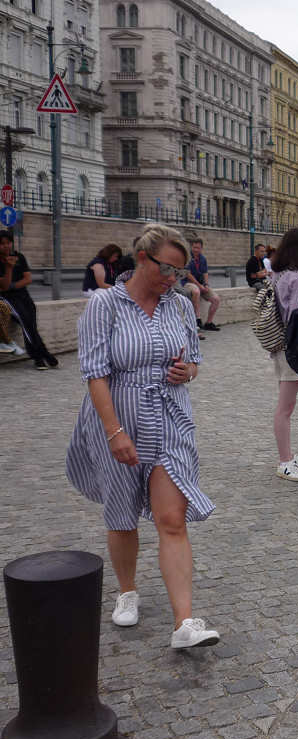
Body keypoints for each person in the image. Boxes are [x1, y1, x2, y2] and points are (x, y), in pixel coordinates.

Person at [65, 222, 220, 649]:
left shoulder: (180, 305)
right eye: (166, 268)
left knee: (172, 518)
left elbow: (195, 359)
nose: (172, 278)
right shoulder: (105, 304)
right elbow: (94, 374)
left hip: (169, 416)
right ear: (141, 258)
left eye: (179, 271)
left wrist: (187, 371)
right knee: (121, 514)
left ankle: (184, 623)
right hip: (118, 415)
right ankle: (127, 590)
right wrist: (114, 432)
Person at [269, 229, 298, 481]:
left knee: (286, 405)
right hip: (292, 346)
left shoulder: (278, 274)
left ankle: (287, 455)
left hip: (279, 345)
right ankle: (285, 461)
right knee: (285, 407)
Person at [0, 230, 58, 369]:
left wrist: (13, 286)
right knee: (25, 323)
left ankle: (39, 354)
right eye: (2, 244)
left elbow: (27, 279)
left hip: (23, 296)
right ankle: (41, 356)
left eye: (8, 243)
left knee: (31, 325)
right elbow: (4, 286)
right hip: (7, 299)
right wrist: (9, 268)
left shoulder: (19, 257)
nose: (6, 246)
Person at [181, 238, 221, 331]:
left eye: (198, 248)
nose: (196, 250)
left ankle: (209, 323)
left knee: (216, 299)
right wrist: (199, 286)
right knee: (196, 291)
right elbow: (188, 274)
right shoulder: (187, 257)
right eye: (194, 247)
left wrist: (206, 284)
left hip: (201, 284)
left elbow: (205, 273)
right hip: (187, 283)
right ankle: (197, 319)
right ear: (191, 247)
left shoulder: (202, 259)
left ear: (201, 248)